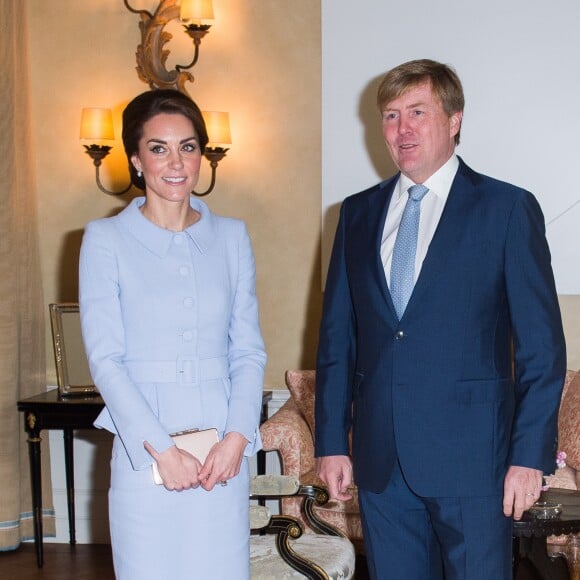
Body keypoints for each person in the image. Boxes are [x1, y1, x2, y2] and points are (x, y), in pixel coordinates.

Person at [315, 59, 566, 579]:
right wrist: (333, 443)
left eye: (417, 112)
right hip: (382, 465)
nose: (401, 129)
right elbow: (338, 341)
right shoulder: (356, 214)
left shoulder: (506, 209)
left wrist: (529, 457)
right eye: (390, 116)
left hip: (476, 464)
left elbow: (543, 351)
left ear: (453, 119)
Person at [79, 89, 266, 579]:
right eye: (159, 148)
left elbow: (247, 351)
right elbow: (105, 361)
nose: (176, 162)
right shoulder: (105, 241)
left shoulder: (232, 237)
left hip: (222, 455)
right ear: (136, 160)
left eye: (188, 146)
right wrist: (162, 449)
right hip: (144, 451)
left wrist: (237, 439)